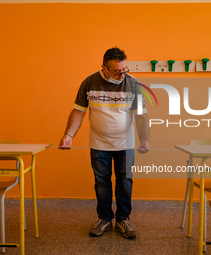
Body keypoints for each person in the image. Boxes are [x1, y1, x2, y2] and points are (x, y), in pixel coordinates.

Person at [59, 47, 149, 239]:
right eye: (117, 71)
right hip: (99, 144)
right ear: (104, 68)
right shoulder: (89, 82)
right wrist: (69, 135)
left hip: (126, 143)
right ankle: (105, 219)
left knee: (125, 182)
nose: (122, 74)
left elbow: (141, 115)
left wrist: (145, 139)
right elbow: (78, 111)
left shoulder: (134, 84)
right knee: (102, 183)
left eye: (125, 69)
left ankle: (123, 219)